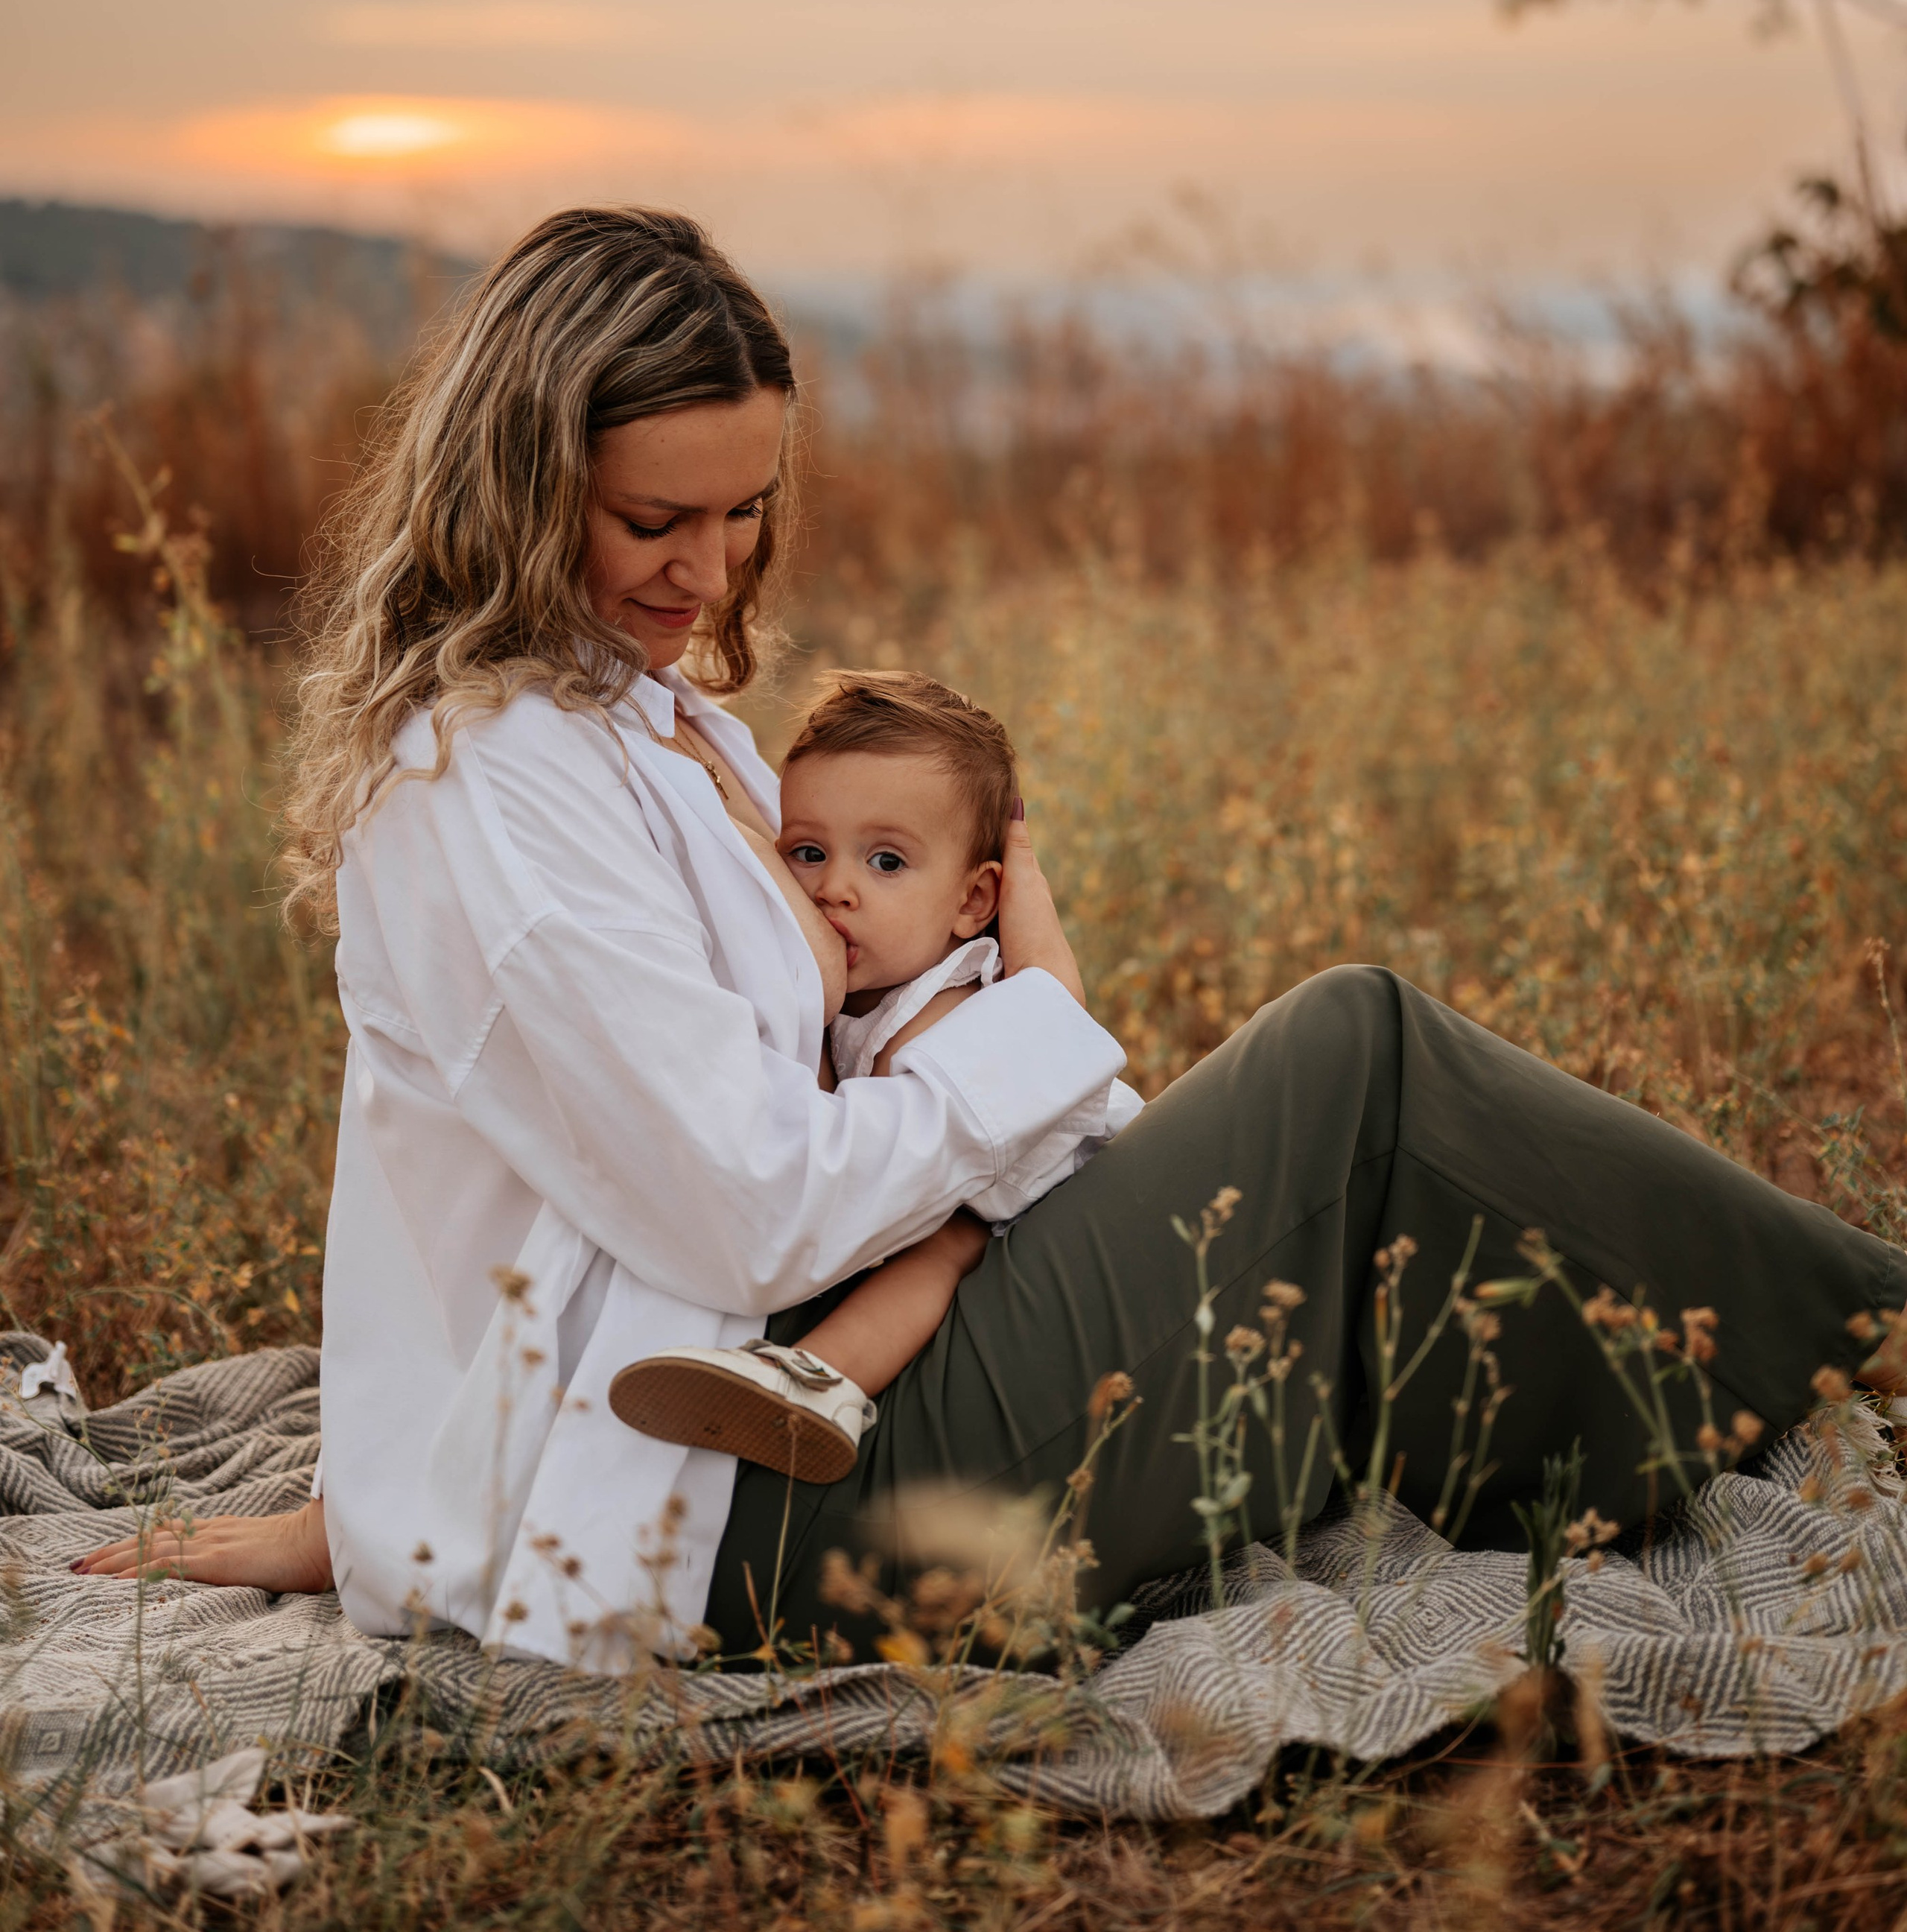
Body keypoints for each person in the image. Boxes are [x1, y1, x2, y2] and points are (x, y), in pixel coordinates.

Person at [74, 206, 1907, 1671]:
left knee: (1345, 1161)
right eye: (649, 518)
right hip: (704, 1506)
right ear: (508, 477)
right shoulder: (496, 796)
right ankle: (1854, 1333)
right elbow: (749, 1204)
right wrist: (1036, 1026)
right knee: (1357, 1063)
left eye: (741, 514)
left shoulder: (638, 713)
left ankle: (1693, 1404)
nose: (702, 577)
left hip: (774, 1388)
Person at [607, 671, 1143, 1480]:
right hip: (992, 1193)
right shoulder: (866, 1002)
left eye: (886, 860)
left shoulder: (939, 1004)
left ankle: (821, 1377)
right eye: (808, 852)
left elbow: (899, 1157)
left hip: (1059, 1192)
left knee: (939, 1243)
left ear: (973, 902)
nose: (835, 887)